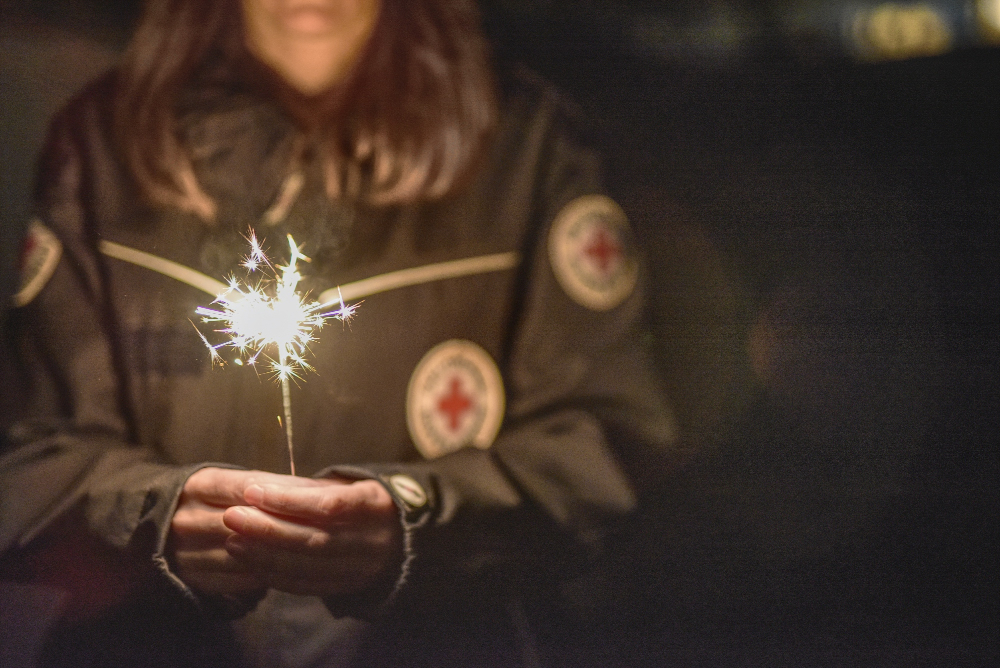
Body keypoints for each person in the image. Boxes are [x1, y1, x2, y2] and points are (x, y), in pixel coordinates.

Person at [0, 0, 677, 666]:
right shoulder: (103, 143)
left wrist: (415, 520)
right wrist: (152, 516)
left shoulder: (526, 145)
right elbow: (32, 456)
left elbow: (603, 448)